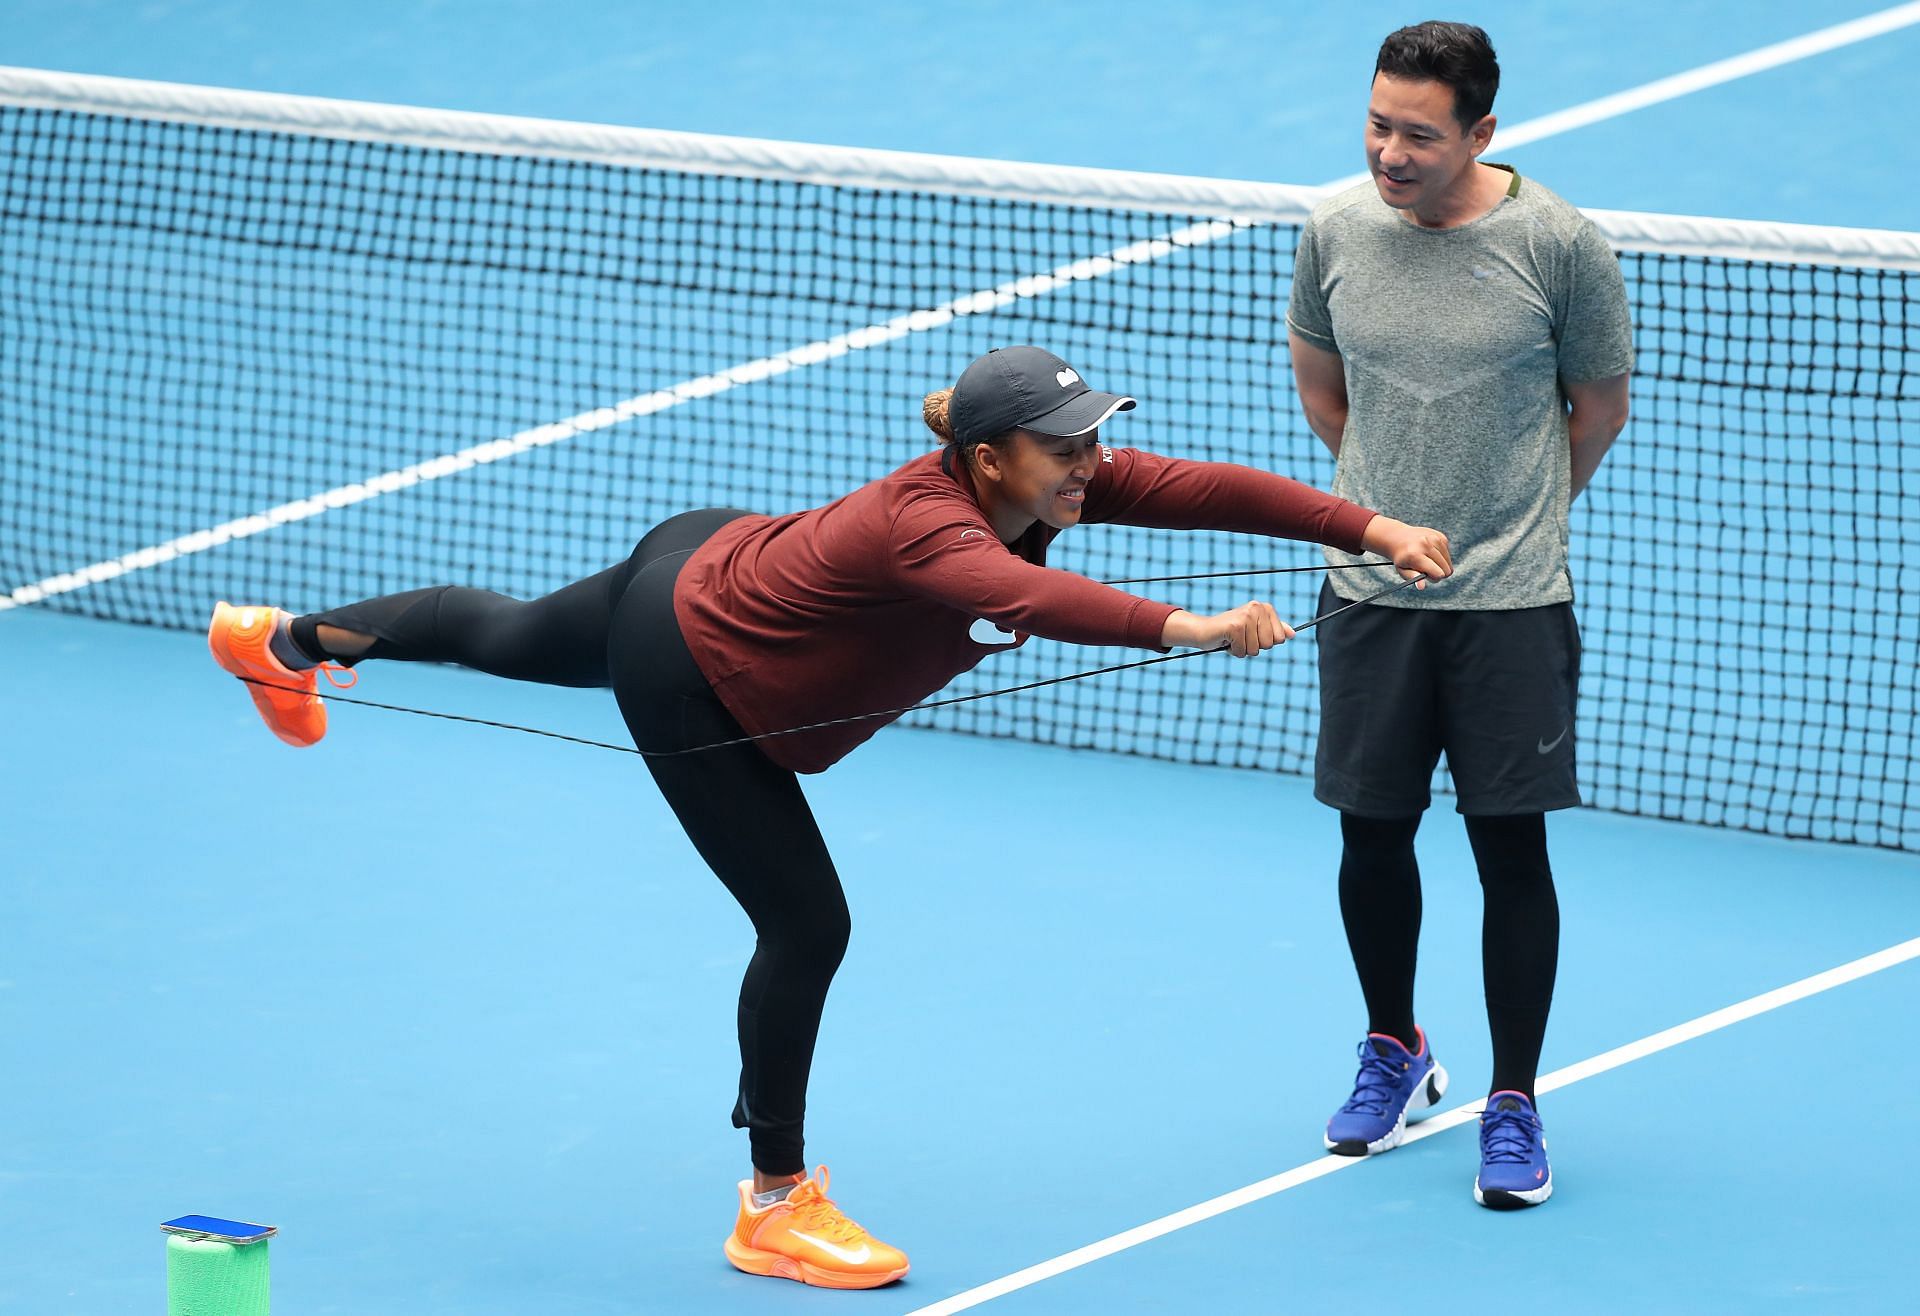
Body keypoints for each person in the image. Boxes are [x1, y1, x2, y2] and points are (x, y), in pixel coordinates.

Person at [209, 344, 1451, 1286]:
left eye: (1091, 440)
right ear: (987, 458)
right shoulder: (934, 531)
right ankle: (773, 1199)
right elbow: (1025, 594)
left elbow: (1198, 485)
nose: (1090, 460)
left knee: (508, 630)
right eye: (1063, 445)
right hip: (697, 667)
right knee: (806, 925)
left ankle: (278, 639)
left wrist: (1371, 524)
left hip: (707, 554)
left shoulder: (1041, 480)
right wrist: (1193, 626)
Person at [1286, 21, 1633, 1208]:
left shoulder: (1562, 245)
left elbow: (1596, 406)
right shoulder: (1334, 230)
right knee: (1371, 836)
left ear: (1481, 134)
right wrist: (1382, 520)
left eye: (1417, 134)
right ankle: (1396, 1045)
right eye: (1377, 123)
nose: (1389, 151)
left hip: (1513, 606)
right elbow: (1321, 379)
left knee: (1509, 847)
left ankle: (1515, 1100)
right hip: (1371, 592)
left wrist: (1508, 524)